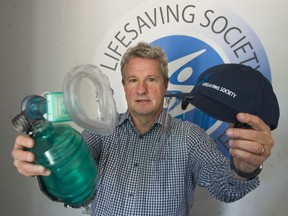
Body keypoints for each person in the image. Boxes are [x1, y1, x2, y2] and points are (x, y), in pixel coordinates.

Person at [12, 42, 274, 216]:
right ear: (123, 86)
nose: (141, 90)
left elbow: (225, 188)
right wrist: (43, 162)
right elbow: (75, 188)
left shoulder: (190, 138)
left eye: (150, 79)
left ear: (165, 83)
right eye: (133, 80)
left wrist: (245, 169)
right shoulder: (99, 132)